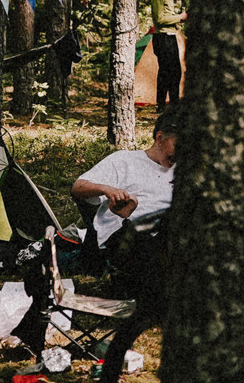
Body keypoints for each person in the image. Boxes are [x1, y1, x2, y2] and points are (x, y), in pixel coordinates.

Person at [72, 103, 181, 289]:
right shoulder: (125, 160)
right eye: (177, 145)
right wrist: (109, 190)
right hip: (125, 238)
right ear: (160, 137)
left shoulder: (184, 171)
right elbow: (78, 187)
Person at [146, 0, 186, 108]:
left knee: (173, 71)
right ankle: (163, 104)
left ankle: (171, 104)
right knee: (167, 71)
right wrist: (180, 17)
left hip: (169, 35)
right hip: (163, 37)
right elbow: (159, 19)